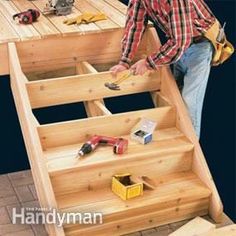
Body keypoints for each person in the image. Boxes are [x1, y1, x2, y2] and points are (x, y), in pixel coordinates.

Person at [110, 0, 217, 138]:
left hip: (199, 46)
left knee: (189, 102)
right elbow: (134, 26)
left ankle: (191, 149)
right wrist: (124, 61)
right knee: (176, 98)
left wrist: (149, 63)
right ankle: (177, 142)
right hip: (181, 45)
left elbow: (180, 42)